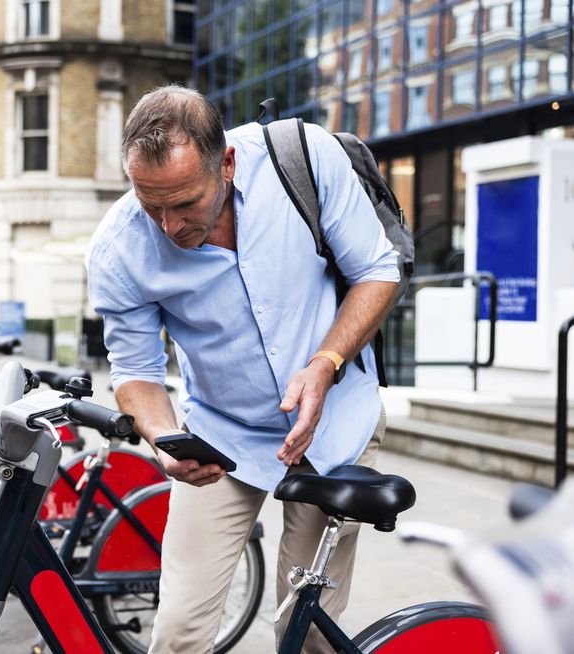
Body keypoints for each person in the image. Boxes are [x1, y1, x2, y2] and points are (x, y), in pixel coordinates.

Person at [85, 86, 400, 653]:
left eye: (185, 203)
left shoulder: (303, 158)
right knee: (178, 632)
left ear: (226, 162)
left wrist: (325, 364)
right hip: (221, 438)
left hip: (335, 424)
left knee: (305, 637)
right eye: (149, 203)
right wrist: (161, 439)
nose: (168, 226)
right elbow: (135, 369)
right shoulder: (119, 248)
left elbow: (378, 271)